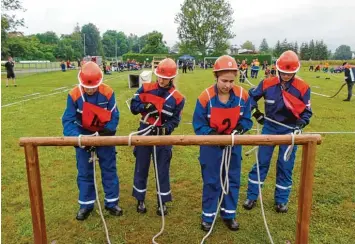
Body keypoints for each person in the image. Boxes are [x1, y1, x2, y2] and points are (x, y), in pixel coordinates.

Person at [243, 50, 312, 213]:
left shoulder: (303, 88)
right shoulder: (267, 84)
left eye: (290, 73)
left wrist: (300, 124)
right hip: (269, 128)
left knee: (285, 166)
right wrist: (256, 113)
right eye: (283, 73)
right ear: (277, 69)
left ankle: (281, 200)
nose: (286, 76)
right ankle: (251, 196)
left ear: (296, 71)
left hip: (290, 131)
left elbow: (307, 112)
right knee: (261, 163)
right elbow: (250, 98)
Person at [193, 55, 253, 231]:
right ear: (216, 77)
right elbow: (199, 124)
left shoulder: (243, 96)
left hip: (233, 146)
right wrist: (213, 135)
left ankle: (229, 214)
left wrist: (239, 130)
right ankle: (208, 216)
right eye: (224, 80)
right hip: (211, 147)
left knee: (232, 178)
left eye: (231, 81)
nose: (227, 85)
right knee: (211, 180)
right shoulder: (205, 97)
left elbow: (247, 120)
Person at [62, 61, 122, 220]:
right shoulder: (74, 95)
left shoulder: (108, 93)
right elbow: (68, 120)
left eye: (94, 87)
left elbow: (114, 115)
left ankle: (111, 202)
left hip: (104, 135)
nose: (90, 89)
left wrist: (108, 131)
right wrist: (79, 139)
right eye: (87, 87)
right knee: (84, 171)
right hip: (82, 135)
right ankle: (86, 204)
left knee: (109, 168)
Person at [130, 58, 185, 215]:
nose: (162, 80)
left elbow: (175, 120)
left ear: (172, 78)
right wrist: (145, 106)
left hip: (162, 137)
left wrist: (165, 130)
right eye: (160, 76)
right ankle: (140, 199)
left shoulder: (178, 98)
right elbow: (133, 107)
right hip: (144, 132)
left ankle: (162, 201)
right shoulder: (145, 88)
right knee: (141, 166)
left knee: (162, 169)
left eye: (166, 78)